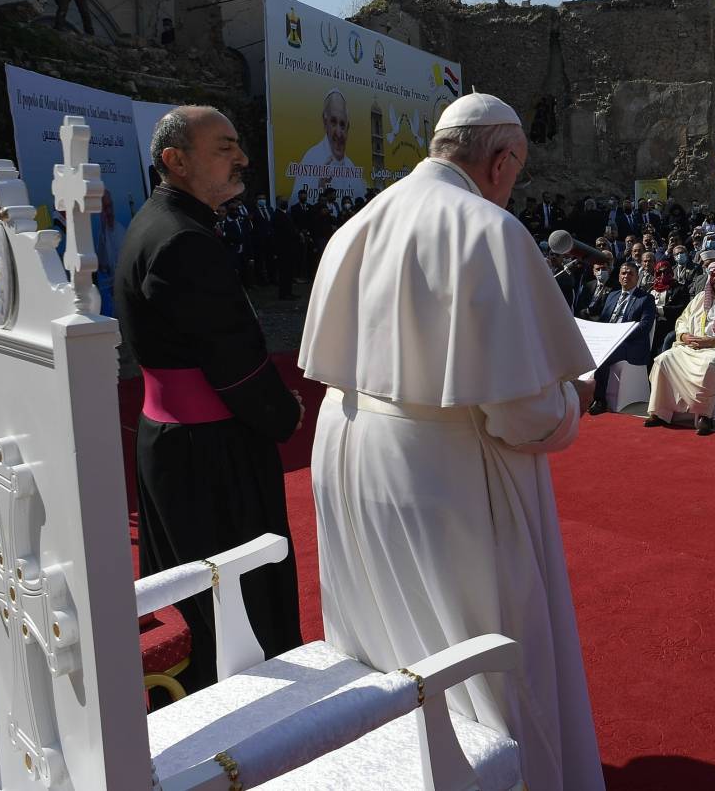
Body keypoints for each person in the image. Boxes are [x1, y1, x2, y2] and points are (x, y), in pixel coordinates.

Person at [299, 92, 605, 789]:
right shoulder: (487, 230)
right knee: (477, 653)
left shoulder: (360, 220)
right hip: (442, 472)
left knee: (384, 635)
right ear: (501, 162)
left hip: (349, 446)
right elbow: (521, 413)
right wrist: (571, 398)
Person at [115, 106, 305, 690]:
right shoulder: (182, 241)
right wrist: (283, 414)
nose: (242, 158)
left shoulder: (164, 223)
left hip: (182, 445)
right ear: (176, 160)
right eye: (224, 147)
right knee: (234, 601)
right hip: (211, 454)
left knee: (195, 589)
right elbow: (234, 361)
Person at [644, 260, 715, 434]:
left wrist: (710, 341)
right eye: (714, 275)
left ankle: (705, 416)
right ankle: (660, 412)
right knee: (663, 360)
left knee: (709, 365)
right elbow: (682, 320)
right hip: (692, 346)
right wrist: (684, 335)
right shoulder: (700, 298)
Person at [587, 261, 656, 415]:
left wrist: (620, 335)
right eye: (623, 273)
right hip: (608, 340)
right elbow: (604, 320)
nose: (626, 276)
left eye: (631, 273)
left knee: (604, 356)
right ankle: (578, 392)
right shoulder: (612, 295)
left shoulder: (646, 299)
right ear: (618, 277)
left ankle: (600, 400)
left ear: (637, 277)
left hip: (631, 345)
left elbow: (645, 327)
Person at [288, 88, 367, 201]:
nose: (339, 133)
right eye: (333, 122)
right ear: (325, 123)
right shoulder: (311, 158)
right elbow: (295, 205)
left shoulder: (350, 165)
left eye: (343, 125)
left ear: (348, 128)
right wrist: (320, 187)